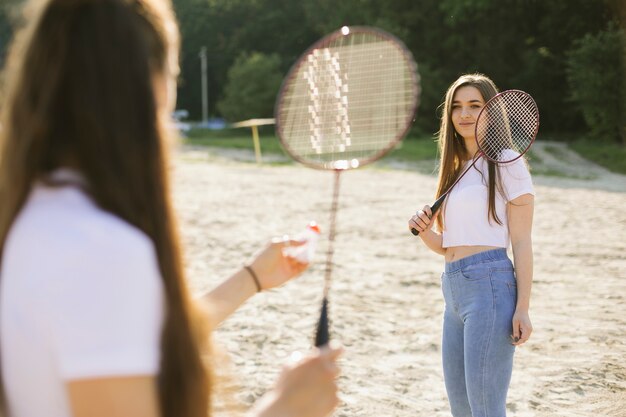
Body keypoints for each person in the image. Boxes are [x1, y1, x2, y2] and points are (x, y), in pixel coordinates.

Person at [0, 0, 341, 416]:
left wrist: (252, 278)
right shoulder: (101, 249)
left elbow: (121, 335)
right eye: (174, 75)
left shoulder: (40, 213)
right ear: (151, 86)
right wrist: (283, 408)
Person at [408, 73, 534, 417]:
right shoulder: (453, 168)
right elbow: (449, 246)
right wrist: (423, 232)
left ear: (491, 112)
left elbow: (521, 242)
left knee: (486, 409)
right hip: (452, 287)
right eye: (457, 107)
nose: (465, 114)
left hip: (490, 285)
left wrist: (522, 307)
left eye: (475, 106)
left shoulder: (507, 161)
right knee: (462, 409)